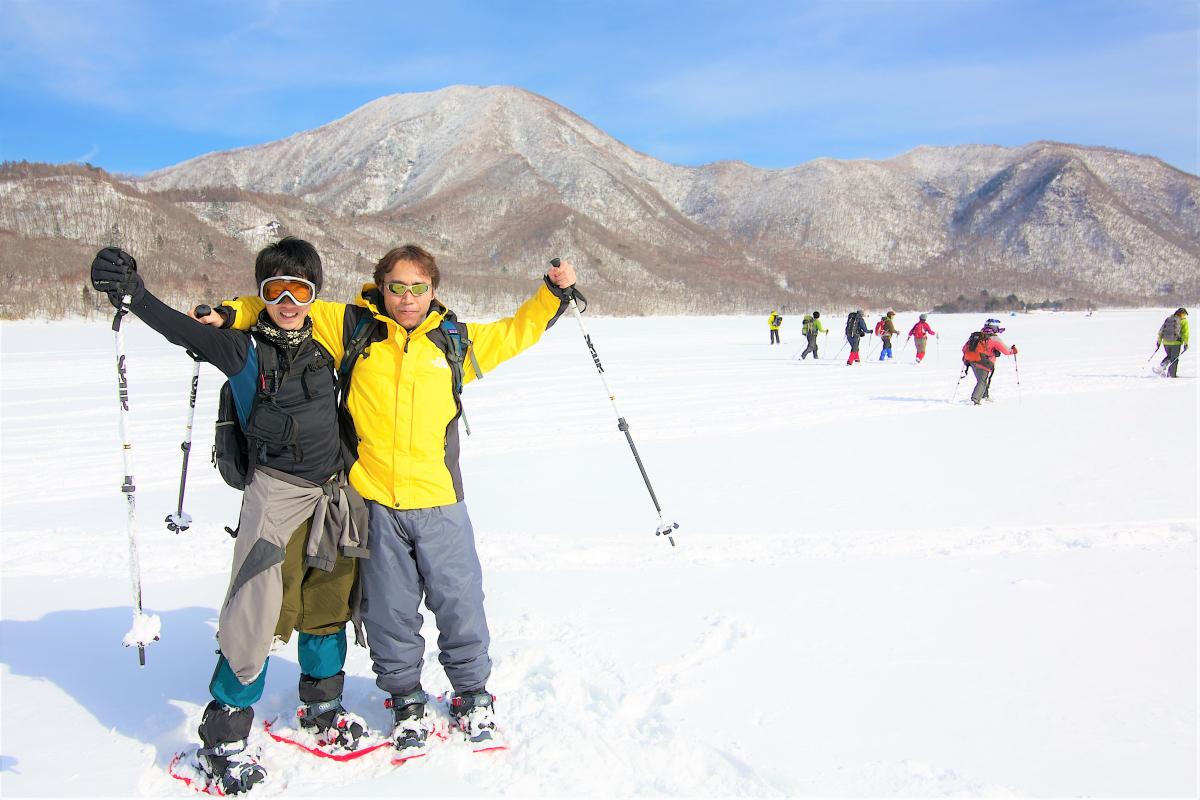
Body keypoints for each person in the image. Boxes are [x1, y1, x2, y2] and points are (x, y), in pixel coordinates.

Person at [207, 244, 576, 755]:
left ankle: (471, 694)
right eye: (397, 287)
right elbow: (285, 300)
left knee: (460, 603)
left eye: (418, 287)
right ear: (381, 288)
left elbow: (517, 331)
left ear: (433, 290)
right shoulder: (353, 328)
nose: (407, 298)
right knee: (388, 612)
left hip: (440, 500)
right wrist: (230, 312)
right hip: (374, 501)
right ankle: (405, 700)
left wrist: (552, 294)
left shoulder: (454, 343)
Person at [91, 239, 369, 795]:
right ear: (261, 293)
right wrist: (135, 295)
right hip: (275, 496)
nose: (288, 302)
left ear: (315, 296)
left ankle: (321, 707)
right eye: (275, 290)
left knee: (326, 603)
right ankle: (224, 737)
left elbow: (388, 313)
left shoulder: (330, 341)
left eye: (300, 291)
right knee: (254, 613)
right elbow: (180, 330)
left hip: (333, 494)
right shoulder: (240, 350)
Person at [961, 318, 1017, 405]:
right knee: (982, 381)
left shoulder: (977, 336)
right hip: (984, 363)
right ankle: (975, 400)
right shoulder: (994, 338)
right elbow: (1006, 351)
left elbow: (964, 348)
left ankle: (984, 397)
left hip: (971, 361)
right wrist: (1013, 351)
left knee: (982, 380)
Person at [1154, 308, 1189, 378]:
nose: (1185, 316)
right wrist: (1186, 343)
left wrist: (1159, 342)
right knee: (1174, 358)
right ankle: (1171, 375)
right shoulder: (1183, 321)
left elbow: (1161, 331)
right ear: (1182, 314)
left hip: (1166, 342)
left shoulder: (1169, 319)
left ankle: (1161, 367)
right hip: (1176, 343)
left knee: (1169, 356)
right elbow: (1185, 333)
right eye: (1184, 314)